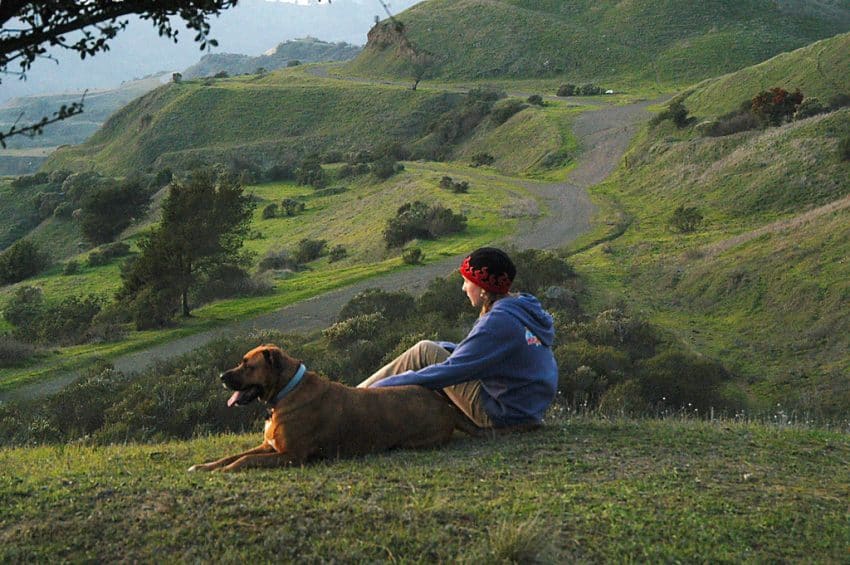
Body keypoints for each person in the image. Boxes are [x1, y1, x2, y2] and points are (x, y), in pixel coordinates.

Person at [358, 247, 558, 429]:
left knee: (423, 351)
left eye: (467, 281)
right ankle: (359, 395)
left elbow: (451, 371)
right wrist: (444, 348)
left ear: (483, 288)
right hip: (526, 409)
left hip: (503, 414)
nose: (463, 288)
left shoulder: (498, 321)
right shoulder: (520, 307)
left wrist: (386, 385)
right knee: (430, 349)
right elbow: (480, 354)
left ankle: (358, 397)